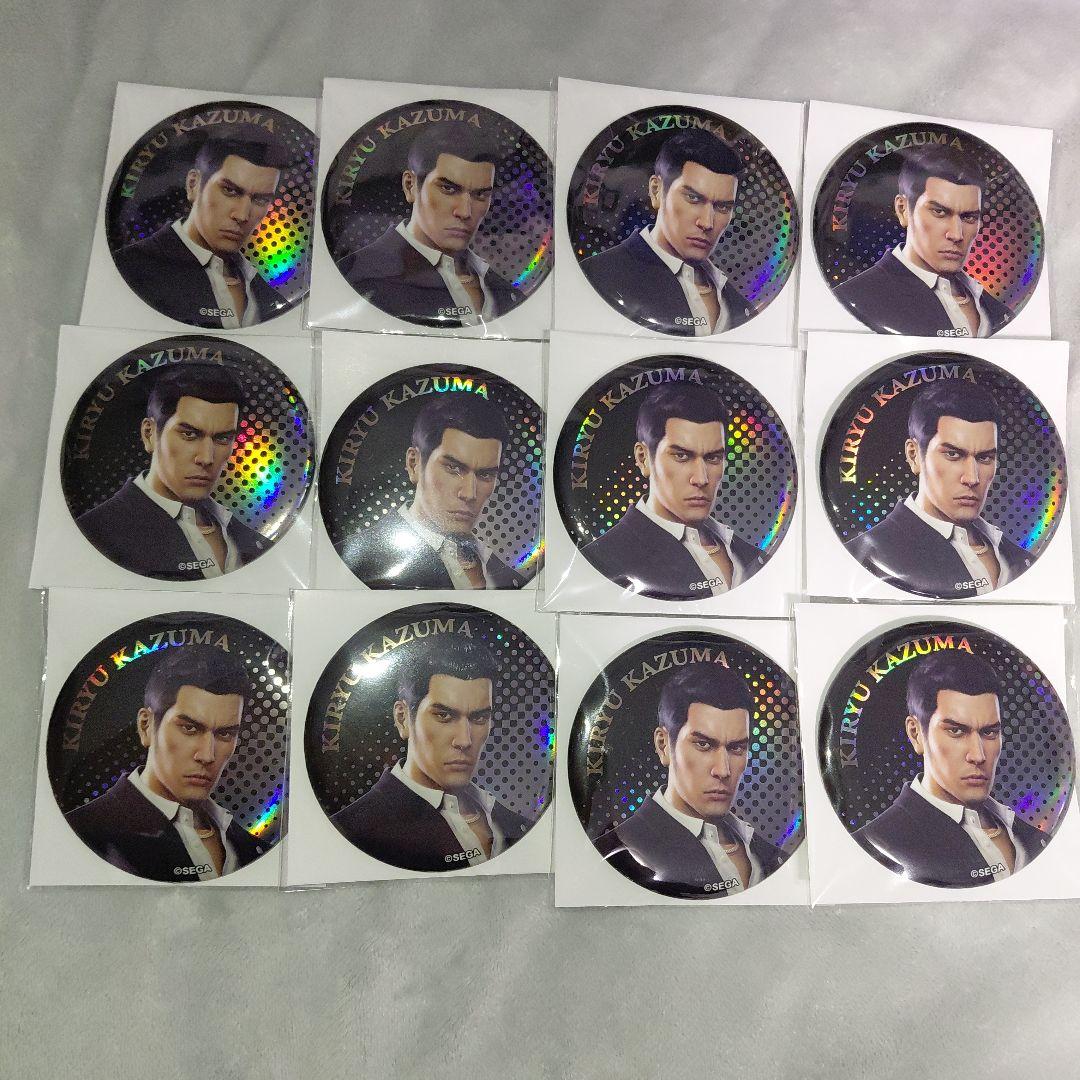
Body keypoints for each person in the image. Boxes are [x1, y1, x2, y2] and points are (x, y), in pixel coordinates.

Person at [64, 646, 268, 882]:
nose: (207, 755)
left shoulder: (252, 846)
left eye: (225, 734)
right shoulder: (83, 832)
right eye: (189, 728)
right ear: (146, 726)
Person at [330, 636, 532, 871]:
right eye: (444, 716)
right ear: (403, 718)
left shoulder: (517, 824)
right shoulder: (351, 832)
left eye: (479, 718)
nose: (464, 740)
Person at [855, 651, 1049, 887]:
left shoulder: (1032, 835)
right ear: (916, 733)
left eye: (989, 732)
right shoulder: (875, 843)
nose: (978, 755)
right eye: (956, 731)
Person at [595, 664, 783, 897]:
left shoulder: (771, 854)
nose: (723, 770)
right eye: (703, 744)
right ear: (663, 745)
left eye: (737, 748)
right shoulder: (611, 853)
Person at [76, 364, 270, 581]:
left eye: (223, 438)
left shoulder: (254, 540)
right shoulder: (94, 533)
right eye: (189, 434)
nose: (206, 458)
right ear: (149, 433)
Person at [845, 381, 1030, 598]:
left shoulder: (1022, 558)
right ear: (914, 455)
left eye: (985, 457)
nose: (972, 478)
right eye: (953, 454)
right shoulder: (862, 558)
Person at [580, 383, 764, 599]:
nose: (701, 478)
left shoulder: (755, 555)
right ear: (643, 458)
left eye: (713, 457)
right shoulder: (601, 562)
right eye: (681, 456)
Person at [338, 121, 522, 325]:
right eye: (448, 189)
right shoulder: (356, 277)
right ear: (410, 186)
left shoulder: (507, 290)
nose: (464, 211)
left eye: (480, 194)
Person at [581, 129, 753, 336]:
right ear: (656, 191)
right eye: (693, 198)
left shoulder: (739, 303)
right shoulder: (599, 274)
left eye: (723, 207)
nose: (707, 223)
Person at [347, 393, 526, 589]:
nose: (469, 493)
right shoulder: (354, 563)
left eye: (485, 474)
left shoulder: (509, 577)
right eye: (453, 468)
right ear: (414, 464)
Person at [832, 145, 1013, 337]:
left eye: (969, 217)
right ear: (902, 209)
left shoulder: (999, 311)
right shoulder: (854, 297)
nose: (956, 234)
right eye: (939, 212)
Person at [114, 133, 290, 328]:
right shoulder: (130, 268)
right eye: (230, 190)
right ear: (193, 184)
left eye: (261, 199)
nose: (242, 215)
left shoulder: (267, 294)